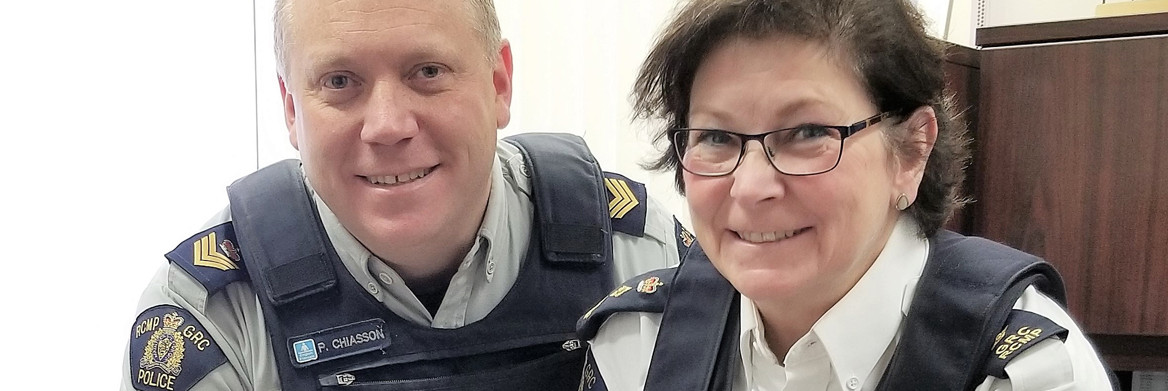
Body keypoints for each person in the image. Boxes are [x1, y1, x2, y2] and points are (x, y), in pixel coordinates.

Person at [121, 0, 687, 390]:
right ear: (292, 109)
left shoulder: (637, 254)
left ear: (498, 84)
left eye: (427, 71)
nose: (387, 125)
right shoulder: (209, 315)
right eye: (341, 82)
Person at [576, 0, 1117, 390]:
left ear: (910, 152)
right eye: (717, 138)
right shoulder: (641, 341)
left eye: (808, 133)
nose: (753, 186)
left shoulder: (1027, 371)